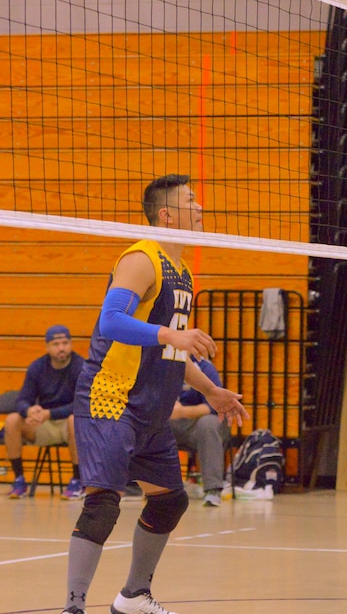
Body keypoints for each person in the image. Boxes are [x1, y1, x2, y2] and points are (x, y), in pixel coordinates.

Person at [63, 174, 248, 614]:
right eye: (190, 199)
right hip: (110, 400)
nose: (200, 206)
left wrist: (211, 390)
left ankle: (133, 596)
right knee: (103, 504)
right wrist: (171, 333)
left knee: (170, 501)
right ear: (167, 214)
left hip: (151, 408)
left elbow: (170, 347)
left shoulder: (180, 270)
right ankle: (73, 606)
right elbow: (111, 321)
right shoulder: (141, 259)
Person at [6, 325, 85, 500]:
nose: (61, 348)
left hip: (69, 425)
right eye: (56, 344)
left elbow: (82, 405)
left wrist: (50, 414)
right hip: (44, 424)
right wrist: (29, 410)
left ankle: (78, 481)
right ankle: (19, 480)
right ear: (47, 347)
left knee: (75, 419)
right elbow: (22, 399)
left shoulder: (81, 367)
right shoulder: (37, 367)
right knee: (12, 420)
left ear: (71, 344)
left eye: (65, 343)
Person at [170, 358, 231, 506]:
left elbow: (212, 407)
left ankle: (212, 489)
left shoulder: (204, 367)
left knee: (209, 423)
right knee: (141, 420)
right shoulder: (160, 361)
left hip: (196, 425)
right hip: (168, 423)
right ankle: (138, 485)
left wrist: (182, 412)